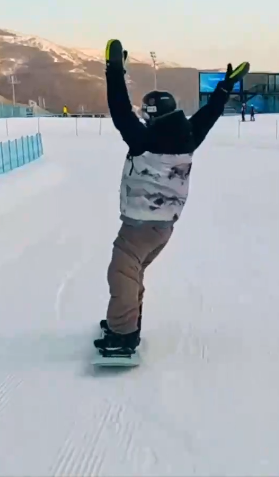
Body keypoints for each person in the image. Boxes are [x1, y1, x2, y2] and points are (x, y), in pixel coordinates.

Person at [96, 38, 249, 356]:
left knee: (122, 272)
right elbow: (210, 113)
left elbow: (119, 108)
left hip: (139, 224)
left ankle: (123, 334)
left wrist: (114, 70)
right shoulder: (188, 135)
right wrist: (224, 88)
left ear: (151, 116)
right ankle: (125, 323)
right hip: (163, 227)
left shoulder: (143, 140)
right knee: (132, 272)